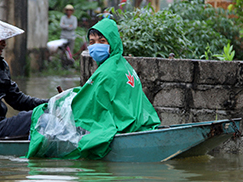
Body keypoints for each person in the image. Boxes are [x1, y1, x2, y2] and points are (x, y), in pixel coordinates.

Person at [27, 17, 160, 159]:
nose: (96, 46)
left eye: (102, 41)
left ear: (112, 42)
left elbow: (88, 106)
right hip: (139, 121)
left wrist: (65, 104)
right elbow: (95, 96)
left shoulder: (106, 72)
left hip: (119, 125)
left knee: (42, 118)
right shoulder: (122, 64)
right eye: (92, 42)